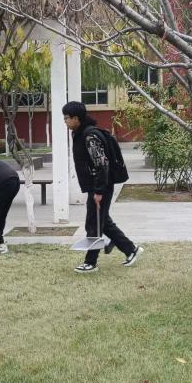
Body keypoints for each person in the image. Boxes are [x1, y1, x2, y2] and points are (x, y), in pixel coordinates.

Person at [62, 101, 142, 273]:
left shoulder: (89, 136)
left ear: (76, 118)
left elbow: (102, 165)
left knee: (94, 223)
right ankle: (130, 249)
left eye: (67, 118)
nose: (65, 121)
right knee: (102, 221)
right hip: (96, 186)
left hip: (100, 186)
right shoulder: (79, 133)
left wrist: (99, 191)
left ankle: (90, 262)